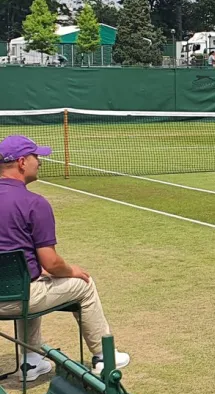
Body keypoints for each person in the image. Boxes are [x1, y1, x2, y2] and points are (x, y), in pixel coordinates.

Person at [0, 135, 130, 380]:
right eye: (35, 156)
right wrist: (72, 271)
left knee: (31, 281)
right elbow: (51, 262)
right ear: (22, 162)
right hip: (18, 298)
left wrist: (36, 271)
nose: (40, 162)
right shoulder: (35, 203)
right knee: (84, 285)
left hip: (12, 290)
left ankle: (31, 362)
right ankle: (103, 357)